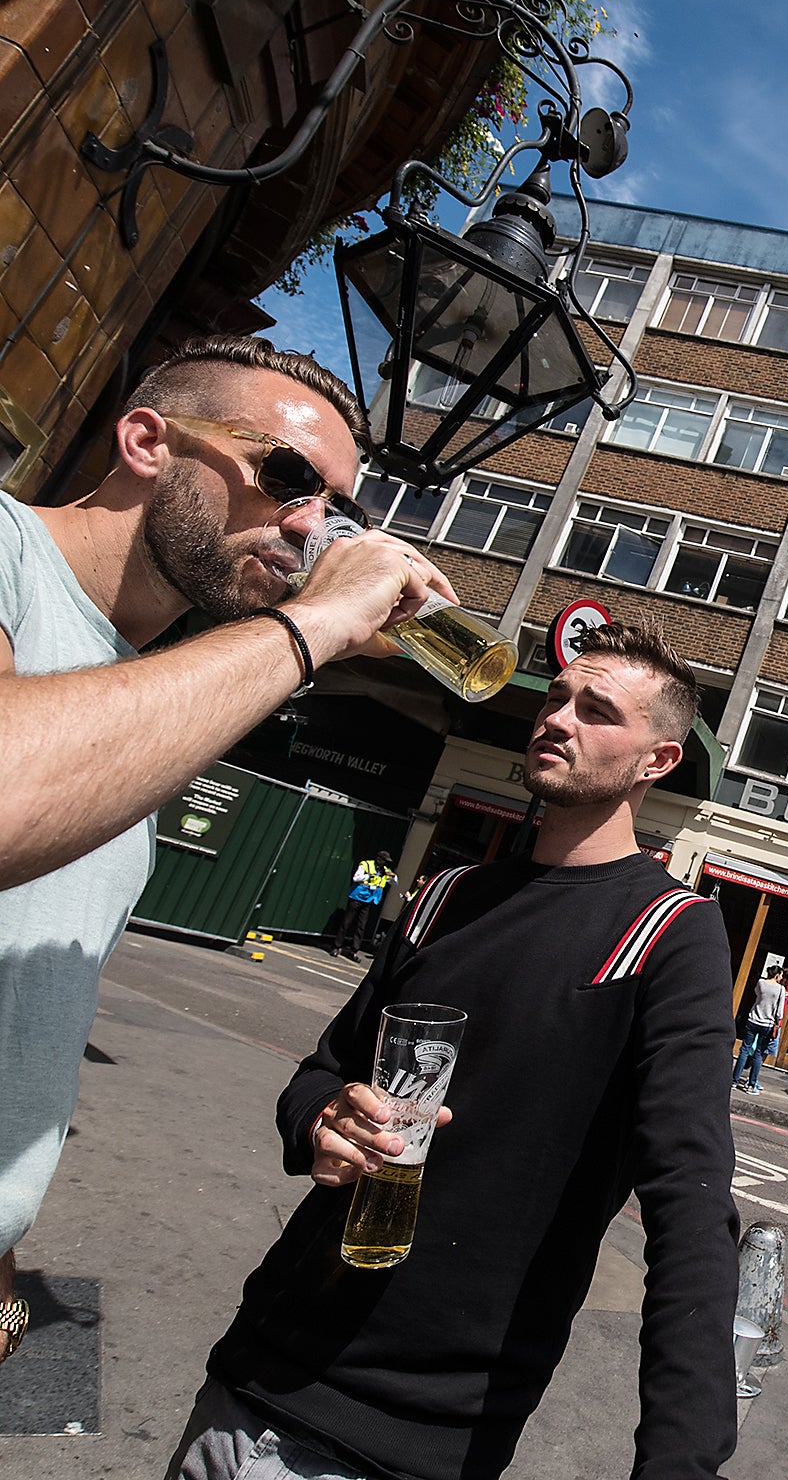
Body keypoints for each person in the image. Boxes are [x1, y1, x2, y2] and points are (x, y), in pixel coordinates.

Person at [165, 621, 740, 1480]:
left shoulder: (670, 932)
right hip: (253, 1371)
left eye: (595, 710)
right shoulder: (446, 894)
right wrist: (323, 1120)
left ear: (655, 762)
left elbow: (690, 1200)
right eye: (553, 699)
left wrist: (679, 1462)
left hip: (410, 1434)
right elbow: (324, 1069)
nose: (557, 719)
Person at [0, 336, 449, 1365]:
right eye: (286, 477)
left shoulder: (138, 698)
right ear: (148, 440)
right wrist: (320, 619)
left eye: (332, 507)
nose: (307, 524)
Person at [733, 962, 788, 1093]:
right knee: (759, 1054)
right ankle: (751, 1085)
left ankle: (734, 1080)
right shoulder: (781, 990)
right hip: (767, 1024)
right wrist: (777, 1023)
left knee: (744, 1050)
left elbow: (757, 994)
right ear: (778, 975)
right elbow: (779, 1013)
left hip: (753, 1019)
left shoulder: (761, 983)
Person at [334, 850, 396, 959]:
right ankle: (336, 946)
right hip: (357, 897)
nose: (385, 863)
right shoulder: (366, 864)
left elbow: (394, 882)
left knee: (361, 926)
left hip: (369, 900)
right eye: (384, 861)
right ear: (379, 859)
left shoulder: (385, 870)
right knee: (346, 923)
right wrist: (369, 876)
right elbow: (356, 878)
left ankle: (354, 950)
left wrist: (393, 876)